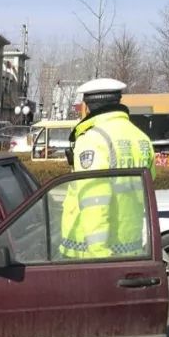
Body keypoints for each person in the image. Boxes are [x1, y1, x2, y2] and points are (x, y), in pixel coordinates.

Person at [59, 78, 156, 260]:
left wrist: (99, 253)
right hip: (131, 246)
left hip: (91, 254)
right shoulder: (142, 138)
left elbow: (94, 199)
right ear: (118, 102)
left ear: (87, 107)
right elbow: (149, 185)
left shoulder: (93, 139)